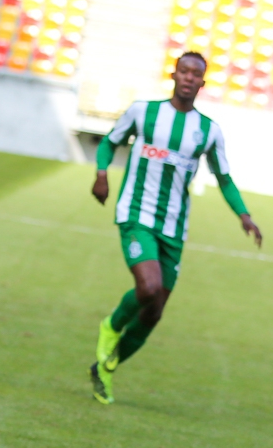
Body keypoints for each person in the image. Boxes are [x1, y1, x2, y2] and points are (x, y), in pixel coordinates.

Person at [88, 51, 262, 404]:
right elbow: (109, 141)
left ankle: (106, 367)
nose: (188, 78)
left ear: (202, 82)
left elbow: (224, 178)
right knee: (149, 287)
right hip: (136, 214)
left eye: (195, 74)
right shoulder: (143, 112)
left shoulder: (208, 131)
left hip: (174, 227)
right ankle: (111, 326)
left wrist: (244, 215)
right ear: (174, 75)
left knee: (154, 312)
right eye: (184, 71)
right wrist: (102, 173)